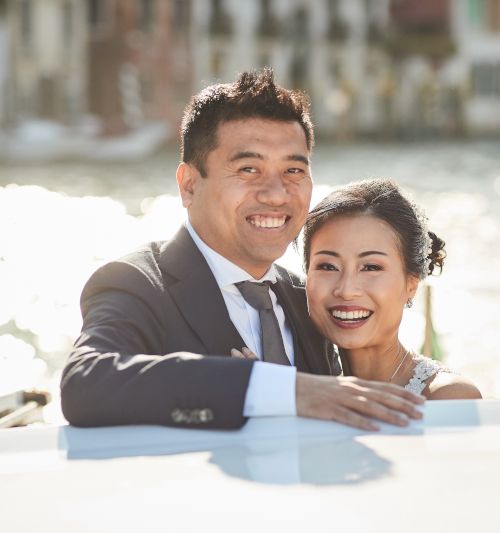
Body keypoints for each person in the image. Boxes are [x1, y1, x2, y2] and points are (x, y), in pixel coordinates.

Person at [60, 69, 425, 431]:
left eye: (294, 171)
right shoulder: (136, 283)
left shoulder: (307, 299)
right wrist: (274, 388)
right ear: (188, 185)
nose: (276, 194)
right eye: (249, 169)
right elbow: (86, 384)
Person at [301, 178, 481, 399]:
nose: (346, 290)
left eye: (371, 267)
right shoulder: (295, 383)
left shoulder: (446, 396)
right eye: (328, 266)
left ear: (411, 283)